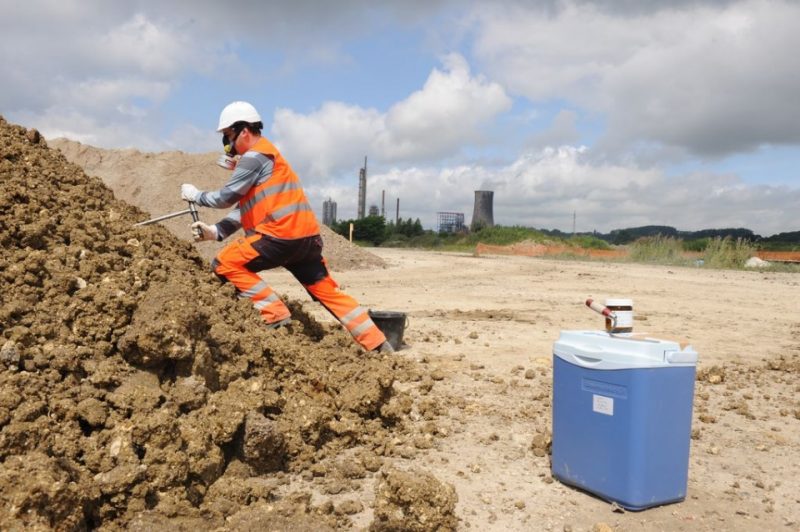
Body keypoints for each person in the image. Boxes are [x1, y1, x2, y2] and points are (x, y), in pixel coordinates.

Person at [181, 101, 393, 353]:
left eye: (228, 136)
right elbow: (243, 210)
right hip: (306, 240)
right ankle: (378, 344)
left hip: (278, 236)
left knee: (224, 263)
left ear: (244, 131)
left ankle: (274, 314)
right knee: (326, 289)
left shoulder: (254, 156)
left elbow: (225, 197)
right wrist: (215, 232)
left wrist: (196, 195)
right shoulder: (270, 158)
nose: (227, 144)